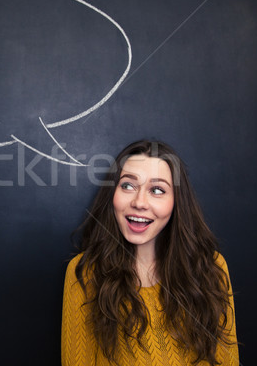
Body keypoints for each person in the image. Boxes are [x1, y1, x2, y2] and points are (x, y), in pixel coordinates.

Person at [61, 140, 239, 366]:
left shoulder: (211, 267)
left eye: (157, 190)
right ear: (112, 193)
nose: (139, 203)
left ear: (176, 202)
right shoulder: (85, 274)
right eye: (127, 186)